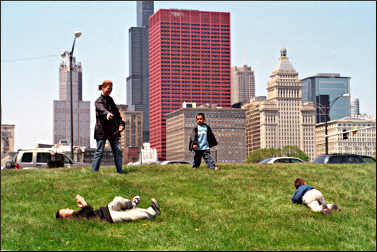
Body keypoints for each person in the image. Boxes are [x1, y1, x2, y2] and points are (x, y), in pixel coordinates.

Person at [91, 80, 126, 174]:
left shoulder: (111, 100)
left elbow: (117, 114)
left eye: (111, 89)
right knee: (99, 152)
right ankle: (94, 173)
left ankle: (120, 171)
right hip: (101, 131)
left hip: (112, 131)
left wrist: (121, 124)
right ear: (103, 88)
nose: (110, 90)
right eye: (108, 88)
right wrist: (107, 113)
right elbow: (101, 109)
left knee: (118, 150)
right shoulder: (98, 101)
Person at [56, 194, 160, 223]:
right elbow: (90, 212)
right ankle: (153, 212)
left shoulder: (77, 215)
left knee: (118, 199)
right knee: (131, 215)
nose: (68, 208)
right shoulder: (76, 220)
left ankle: (131, 204)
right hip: (109, 217)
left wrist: (84, 206)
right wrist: (83, 202)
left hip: (106, 210)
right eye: (65, 211)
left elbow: (89, 211)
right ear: (66, 218)